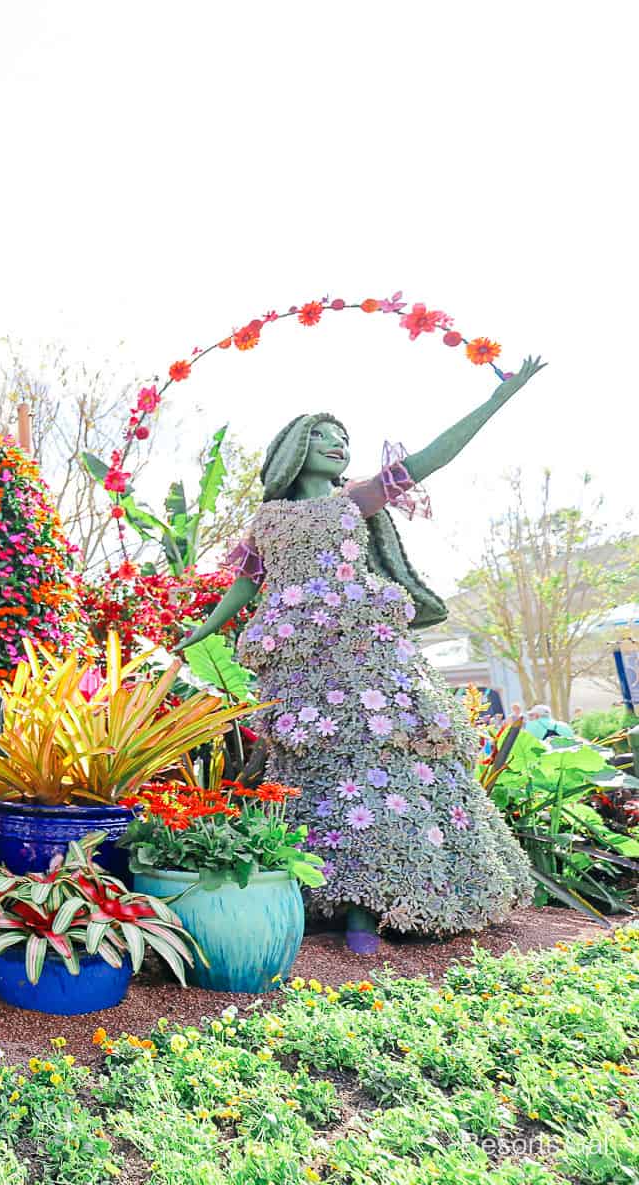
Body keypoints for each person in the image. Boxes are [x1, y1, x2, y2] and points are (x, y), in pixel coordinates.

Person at [178, 357, 547, 954]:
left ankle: (381, 903)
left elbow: (434, 456)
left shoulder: (357, 500)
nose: (340, 446)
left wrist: (502, 395)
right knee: (310, 762)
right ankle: (323, 894)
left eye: (345, 440)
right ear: (297, 449)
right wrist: (205, 628)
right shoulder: (267, 519)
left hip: (366, 648)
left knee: (384, 754)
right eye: (326, 438)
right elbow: (246, 584)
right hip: (298, 652)